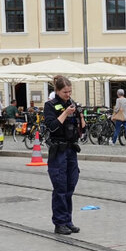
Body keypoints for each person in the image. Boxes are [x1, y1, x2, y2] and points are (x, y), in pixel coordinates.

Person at [43, 75, 84, 235]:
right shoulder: (50, 106)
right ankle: (59, 223)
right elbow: (52, 126)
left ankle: (68, 220)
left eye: (70, 91)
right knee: (60, 187)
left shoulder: (72, 105)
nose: (68, 94)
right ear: (57, 91)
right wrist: (66, 113)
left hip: (71, 150)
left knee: (70, 186)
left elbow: (81, 130)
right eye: (65, 92)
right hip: (58, 151)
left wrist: (80, 116)